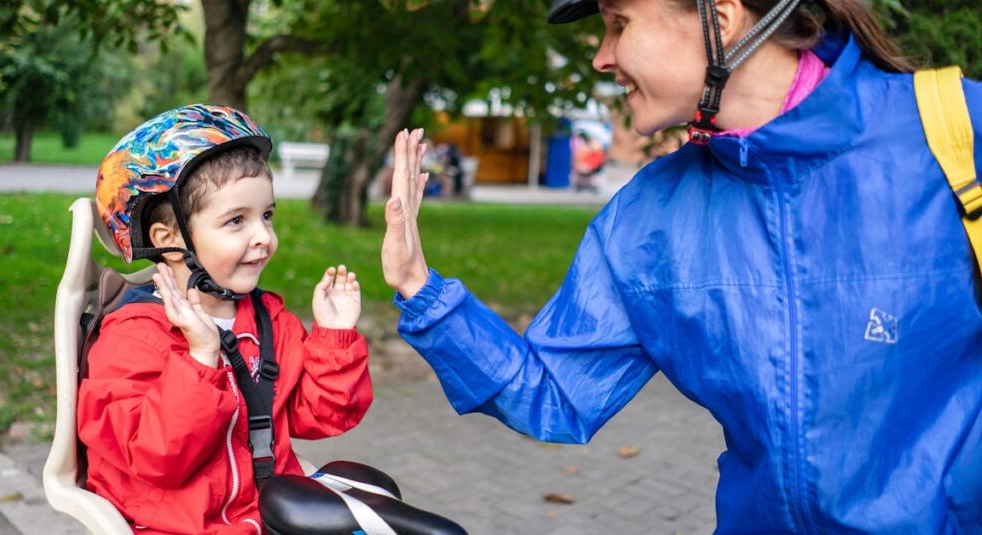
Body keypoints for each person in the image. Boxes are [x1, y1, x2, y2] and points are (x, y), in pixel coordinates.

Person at [381, 0, 982, 532]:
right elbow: (555, 393)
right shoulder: (649, 217)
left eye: (618, 24)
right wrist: (421, 287)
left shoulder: (954, 135)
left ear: (718, 20)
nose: (601, 57)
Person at [79, 104, 373, 533]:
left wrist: (334, 336)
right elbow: (156, 458)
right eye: (237, 220)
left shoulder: (269, 323)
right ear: (169, 240)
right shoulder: (133, 340)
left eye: (267, 215)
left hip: (268, 516)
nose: (264, 237)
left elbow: (322, 417)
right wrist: (200, 359)